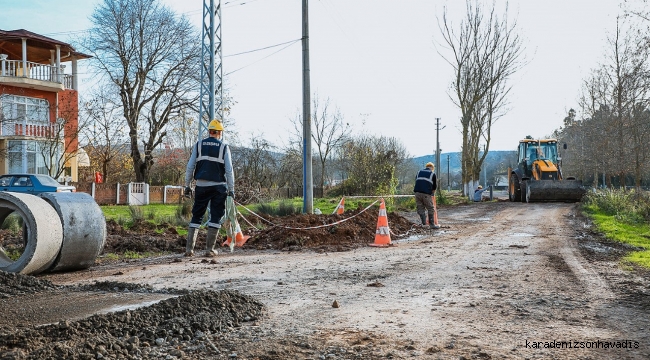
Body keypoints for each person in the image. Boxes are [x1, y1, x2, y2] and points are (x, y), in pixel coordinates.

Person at [184, 119, 235, 257]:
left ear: (209, 131)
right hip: (219, 187)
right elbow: (229, 170)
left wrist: (187, 185)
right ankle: (209, 250)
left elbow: (190, 167)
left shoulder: (199, 145)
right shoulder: (224, 147)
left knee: (197, 216)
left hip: (201, 186)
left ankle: (189, 250)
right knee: (216, 216)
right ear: (219, 133)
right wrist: (231, 189)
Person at [413, 162, 440, 229]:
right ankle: (432, 224)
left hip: (417, 193)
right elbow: (434, 186)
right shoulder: (432, 174)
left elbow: (417, 181)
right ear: (432, 168)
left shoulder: (419, 172)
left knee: (420, 208)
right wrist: (432, 193)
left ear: (426, 166)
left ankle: (424, 224)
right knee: (430, 208)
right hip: (426, 194)